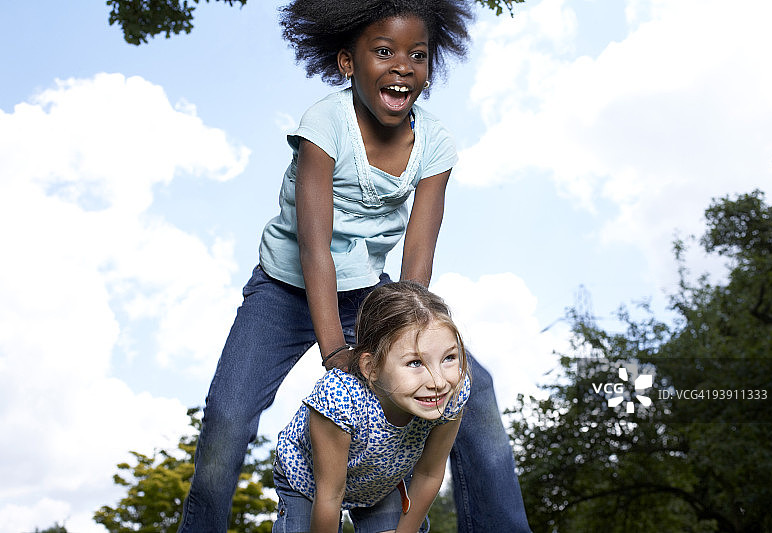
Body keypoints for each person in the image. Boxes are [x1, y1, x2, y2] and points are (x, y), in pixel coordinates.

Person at [178, 0, 530, 531]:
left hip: (367, 292)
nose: (402, 66)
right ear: (347, 63)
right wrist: (335, 351)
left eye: (418, 54)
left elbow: (418, 255)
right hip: (284, 287)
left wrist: (413, 340)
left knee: (471, 389)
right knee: (227, 416)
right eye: (383, 52)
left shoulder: (435, 143)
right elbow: (313, 247)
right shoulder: (325, 123)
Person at [274, 281, 470, 532]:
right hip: (310, 483)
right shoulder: (339, 400)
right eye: (415, 363)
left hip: (380, 480)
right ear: (371, 368)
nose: (439, 381)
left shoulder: (451, 394)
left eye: (449, 358)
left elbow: (429, 474)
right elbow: (330, 496)